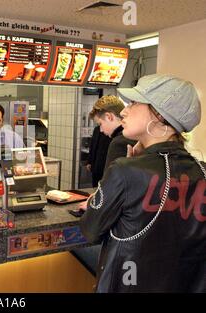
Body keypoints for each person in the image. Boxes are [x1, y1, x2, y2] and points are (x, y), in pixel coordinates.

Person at [80, 74, 205, 292]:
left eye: (135, 102)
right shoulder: (202, 171)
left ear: (159, 115)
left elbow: (90, 229)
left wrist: (127, 167)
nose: (124, 111)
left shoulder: (125, 171)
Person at [89, 95, 136, 170]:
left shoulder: (119, 143)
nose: (101, 130)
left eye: (100, 124)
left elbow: (113, 179)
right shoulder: (134, 135)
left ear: (109, 117)